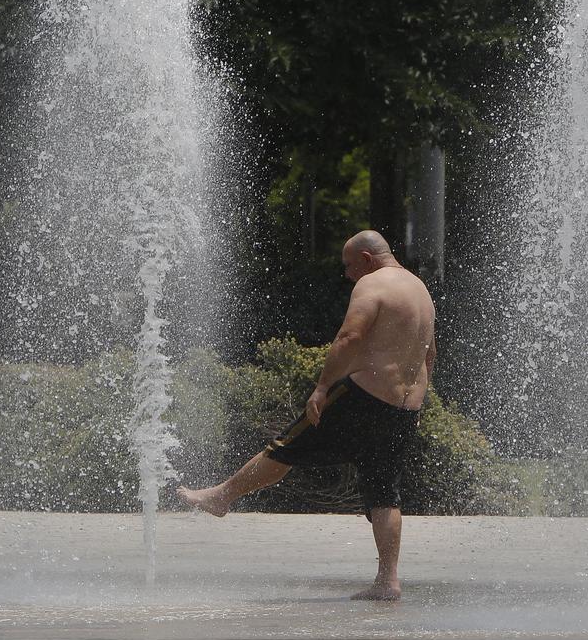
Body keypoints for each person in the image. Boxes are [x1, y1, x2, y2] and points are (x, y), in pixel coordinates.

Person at [178, 230, 436, 601]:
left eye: (349, 266)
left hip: (363, 396)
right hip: (404, 408)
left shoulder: (373, 285)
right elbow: (429, 353)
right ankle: (388, 580)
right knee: (384, 491)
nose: (347, 275)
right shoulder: (420, 291)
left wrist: (322, 385)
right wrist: (418, 399)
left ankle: (223, 496)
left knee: (286, 447)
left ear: (366, 258)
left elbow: (350, 337)